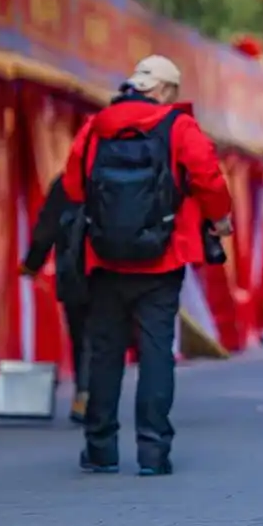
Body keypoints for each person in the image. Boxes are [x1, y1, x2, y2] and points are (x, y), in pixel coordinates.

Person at [62, 55, 233, 477]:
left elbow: (71, 183)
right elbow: (208, 177)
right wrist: (220, 217)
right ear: (164, 91)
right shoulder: (178, 127)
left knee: (105, 353)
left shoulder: (97, 125)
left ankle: (100, 449)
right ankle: (153, 451)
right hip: (163, 257)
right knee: (157, 353)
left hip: (104, 257)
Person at [20, 174, 89, 423]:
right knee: (105, 335)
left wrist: (31, 264)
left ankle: (84, 393)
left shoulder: (66, 182)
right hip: (113, 271)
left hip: (74, 271)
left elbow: (46, 228)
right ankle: (97, 394)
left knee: (81, 335)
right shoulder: (120, 176)